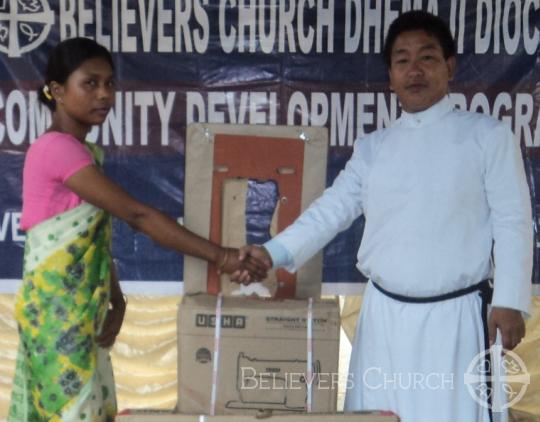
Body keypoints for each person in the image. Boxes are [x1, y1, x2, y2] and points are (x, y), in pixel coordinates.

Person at [234, 10, 533, 422]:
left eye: (427, 57)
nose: (414, 70)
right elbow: (331, 211)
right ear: (390, 76)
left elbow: (514, 221)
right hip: (384, 320)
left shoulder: (488, 136)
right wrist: (272, 253)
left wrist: (511, 300)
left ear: (449, 67)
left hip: (458, 323)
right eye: (402, 60)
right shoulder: (373, 148)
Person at [8, 37, 265, 422]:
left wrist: (116, 296)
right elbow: (138, 216)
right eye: (90, 83)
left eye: (110, 84)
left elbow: (89, 240)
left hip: (81, 314)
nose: (104, 95)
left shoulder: (84, 152)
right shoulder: (56, 150)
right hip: (57, 318)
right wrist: (224, 257)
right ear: (57, 91)